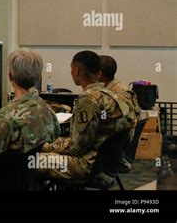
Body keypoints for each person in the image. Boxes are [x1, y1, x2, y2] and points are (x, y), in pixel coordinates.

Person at [37, 51, 134, 184]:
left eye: (71, 69)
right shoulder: (113, 95)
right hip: (107, 164)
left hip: (88, 166)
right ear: (98, 73)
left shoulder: (89, 99)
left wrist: (44, 146)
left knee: (32, 160)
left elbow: (76, 148)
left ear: (76, 71)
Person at [0, 48, 60, 156]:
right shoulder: (48, 111)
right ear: (38, 77)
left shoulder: (3, 118)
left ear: (10, 76)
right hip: (38, 170)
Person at [99, 55, 140, 172]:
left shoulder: (114, 97)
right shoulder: (124, 89)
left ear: (99, 74)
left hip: (113, 150)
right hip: (120, 148)